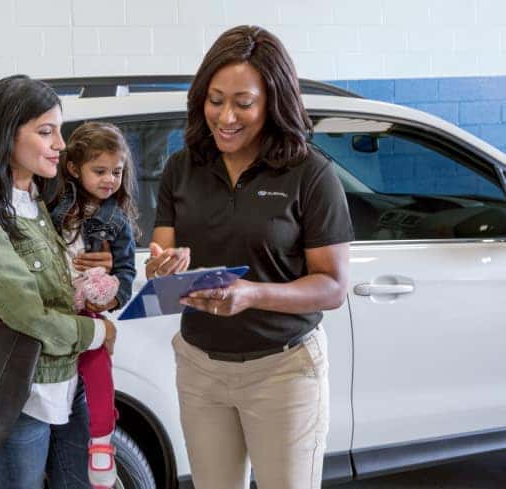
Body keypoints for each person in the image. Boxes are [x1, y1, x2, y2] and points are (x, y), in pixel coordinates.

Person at [146, 25, 353, 489]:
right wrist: (161, 268)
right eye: (215, 99)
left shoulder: (310, 173)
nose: (226, 116)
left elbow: (333, 287)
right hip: (200, 366)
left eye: (243, 103)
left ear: (273, 103)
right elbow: (161, 258)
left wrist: (252, 294)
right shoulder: (183, 169)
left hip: (283, 370)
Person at [0, 74, 117, 489]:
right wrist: (96, 331)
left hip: (62, 381)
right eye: (45, 131)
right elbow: (30, 317)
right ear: (4, 137)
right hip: (17, 397)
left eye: (59, 130)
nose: (60, 144)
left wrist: (84, 281)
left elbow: (43, 289)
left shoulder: (34, 202)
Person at [50, 121, 138, 488]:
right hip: (52, 306)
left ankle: (101, 442)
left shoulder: (117, 220)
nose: (109, 180)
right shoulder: (51, 201)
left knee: (99, 369)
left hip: (85, 309)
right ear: (73, 168)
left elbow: (127, 275)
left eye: (117, 172)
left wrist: (109, 291)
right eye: (99, 171)